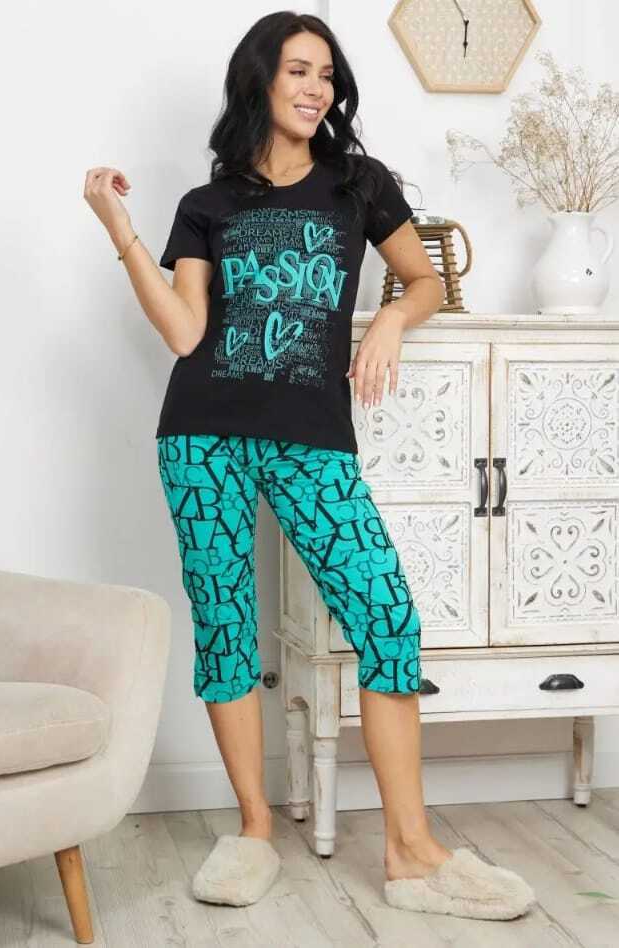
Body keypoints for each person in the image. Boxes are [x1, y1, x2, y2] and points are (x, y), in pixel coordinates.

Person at [84, 10, 536, 922]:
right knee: (225, 627)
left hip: (311, 437)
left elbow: (425, 279)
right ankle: (254, 829)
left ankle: (411, 852)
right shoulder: (207, 204)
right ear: (259, 79)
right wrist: (118, 227)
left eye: (326, 75)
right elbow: (185, 333)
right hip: (202, 436)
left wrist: (391, 321)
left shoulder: (358, 183)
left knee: (386, 618)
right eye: (298, 70)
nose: (316, 88)